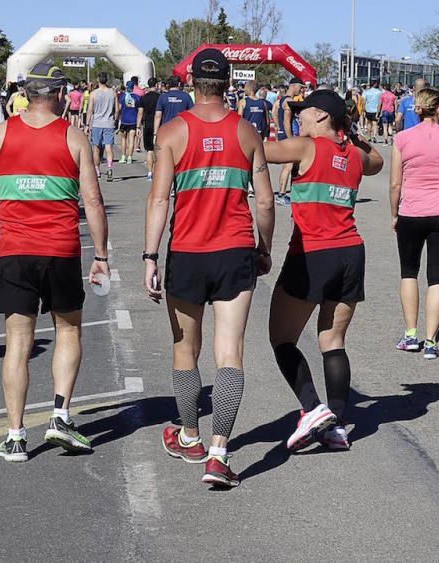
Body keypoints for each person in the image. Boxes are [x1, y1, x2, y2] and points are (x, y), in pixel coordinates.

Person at [0, 63, 110, 460]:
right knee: (68, 331)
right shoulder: (74, 136)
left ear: (26, 94)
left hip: (15, 252)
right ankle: (60, 416)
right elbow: (93, 201)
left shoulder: (2, 133)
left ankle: (14, 436)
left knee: (17, 343)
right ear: (60, 95)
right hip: (60, 251)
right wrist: (102, 255)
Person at [144, 48, 275, 488]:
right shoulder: (247, 131)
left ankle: (190, 436)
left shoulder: (173, 132)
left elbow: (160, 199)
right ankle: (219, 455)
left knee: (186, 349)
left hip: (187, 252)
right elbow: (266, 201)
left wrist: (149, 256)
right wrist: (264, 247)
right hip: (236, 250)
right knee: (230, 353)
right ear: (228, 84)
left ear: (191, 84)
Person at [264, 90, 383, 450]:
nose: (298, 117)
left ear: (320, 116)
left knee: (282, 338)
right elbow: (377, 160)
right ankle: (337, 424)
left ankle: (313, 408)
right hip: (350, 253)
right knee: (332, 341)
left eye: (303, 112)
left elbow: (256, 150)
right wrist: (349, 131)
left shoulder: (305, 147)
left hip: (313, 253)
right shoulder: (357, 155)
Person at [390, 88, 439, 359]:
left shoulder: (402, 139)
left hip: (411, 212)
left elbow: (395, 183)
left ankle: (410, 335)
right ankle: (431, 341)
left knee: (408, 272)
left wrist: (394, 213)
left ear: (418, 108)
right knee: (437, 277)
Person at [275, 78, 304, 206]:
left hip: (286, 135)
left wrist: (277, 128)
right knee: (288, 166)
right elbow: (287, 121)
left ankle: (292, 193)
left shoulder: (282, 100)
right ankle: (281, 195)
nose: (301, 89)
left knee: (291, 166)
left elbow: (275, 113)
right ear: (293, 86)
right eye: (300, 87)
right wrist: (290, 137)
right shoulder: (288, 101)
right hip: (289, 136)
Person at [88, 72, 118, 182]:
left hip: (97, 123)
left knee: (96, 148)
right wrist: (115, 120)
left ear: (97, 79)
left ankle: (97, 170)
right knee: (108, 147)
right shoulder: (113, 93)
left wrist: (87, 124)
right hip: (109, 123)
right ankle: (109, 168)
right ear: (107, 80)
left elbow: (90, 110)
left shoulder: (93, 94)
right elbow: (117, 109)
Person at [139, 77, 161, 180]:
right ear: (156, 85)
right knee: (158, 150)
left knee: (149, 150)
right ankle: (157, 172)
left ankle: (149, 173)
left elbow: (140, 113)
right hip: (158, 125)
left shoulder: (144, 98)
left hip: (147, 125)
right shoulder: (160, 97)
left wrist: (138, 126)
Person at [117, 81, 141, 164]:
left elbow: (119, 108)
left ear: (126, 87)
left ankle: (123, 157)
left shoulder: (122, 96)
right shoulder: (137, 97)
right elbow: (139, 109)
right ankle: (130, 157)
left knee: (123, 139)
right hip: (133, 121)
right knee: (131, 140)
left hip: (124, 120)